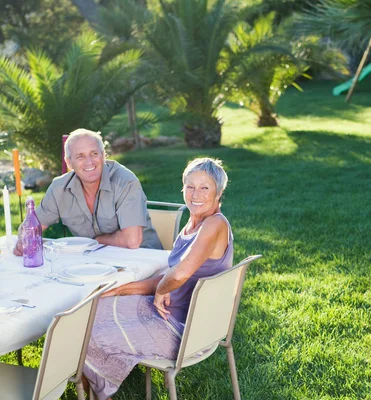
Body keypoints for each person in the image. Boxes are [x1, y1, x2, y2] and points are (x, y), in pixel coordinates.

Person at [82, 157, 233, 400]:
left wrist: (162, 289)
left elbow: (179, 275)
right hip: (172, 313)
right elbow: (168, 276)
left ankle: (100, 395)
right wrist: (119, 289)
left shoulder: (214, 224)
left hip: (185, 332)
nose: (196, 194)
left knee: (88, 334)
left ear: (219, 193)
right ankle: (101, 384)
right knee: (91, 311)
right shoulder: (193, 225)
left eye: (205, 188)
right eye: (190, 186)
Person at [13, 128, 161, 254]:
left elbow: (132, 241)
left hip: (143, 260)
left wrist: (97, 241)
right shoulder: (60, 188)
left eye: (94, 154)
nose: (89, 161)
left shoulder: (126, 182)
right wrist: (25, 241)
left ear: (103, 156)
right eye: (80, 156)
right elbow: (30, 227)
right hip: (94, 263)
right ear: (69, 163)